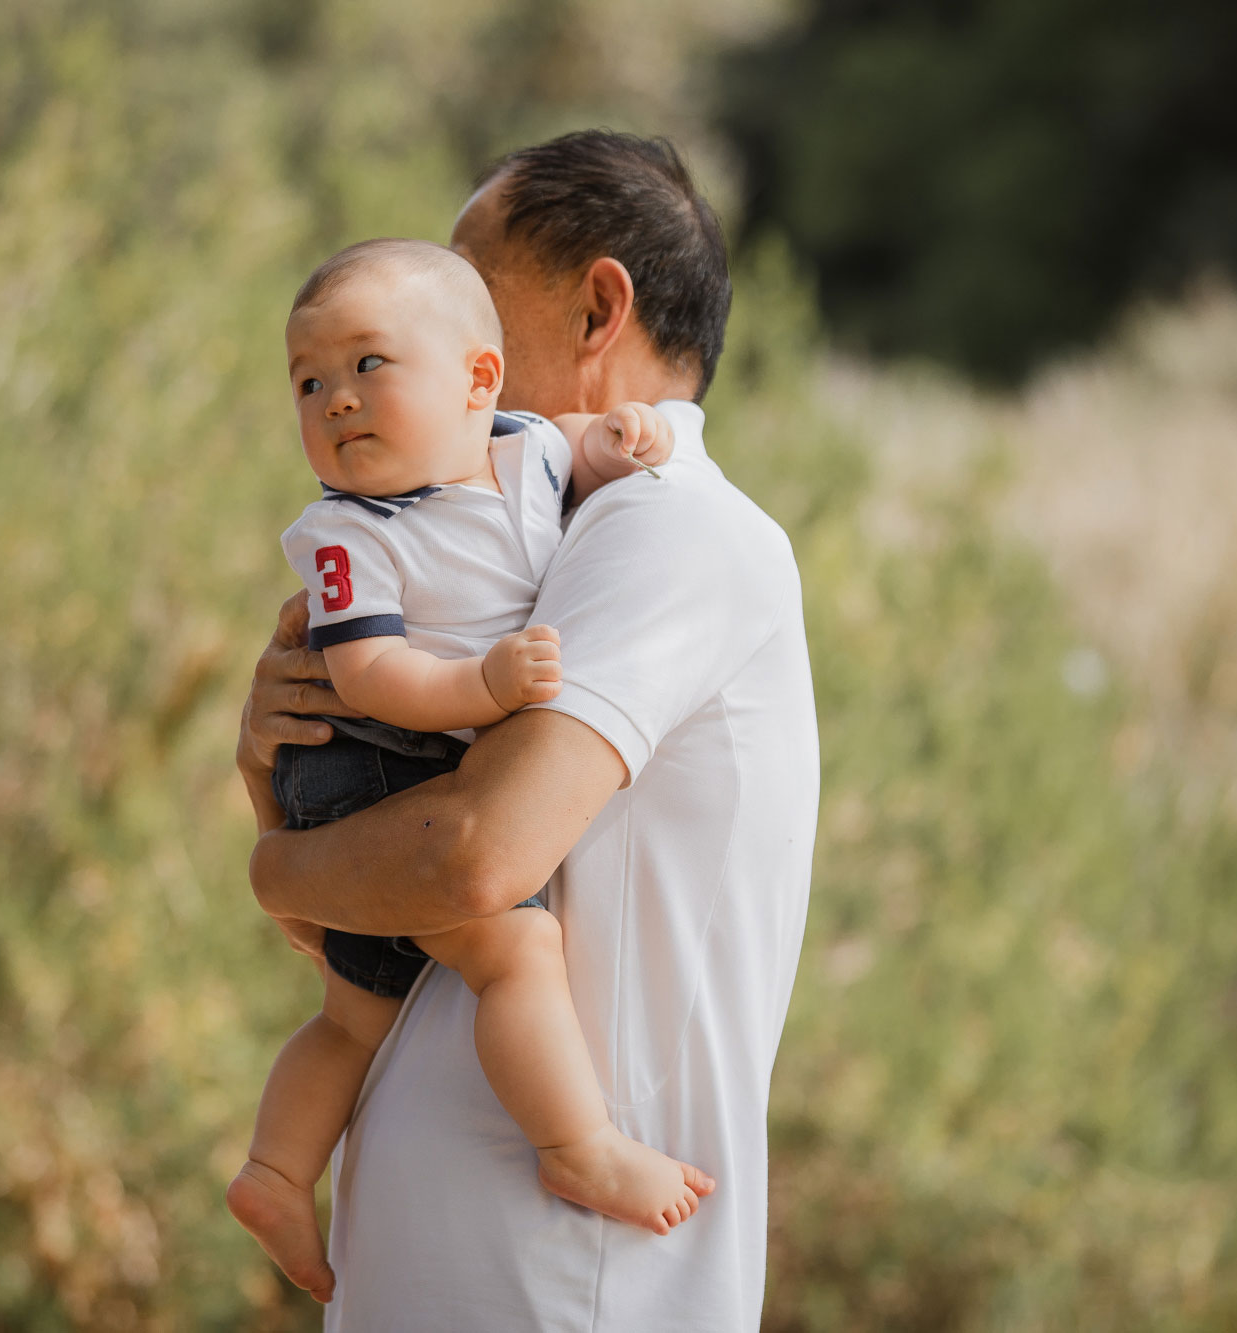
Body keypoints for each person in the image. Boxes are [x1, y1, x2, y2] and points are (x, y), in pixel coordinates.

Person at [235, 131, 819, 1330]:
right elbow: (348, 923)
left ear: (598, 309)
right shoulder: (513, 539)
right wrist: (276, 763)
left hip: (568, 1284)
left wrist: (274, 861)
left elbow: (468, 860)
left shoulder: (670, 530)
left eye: (467, 295)